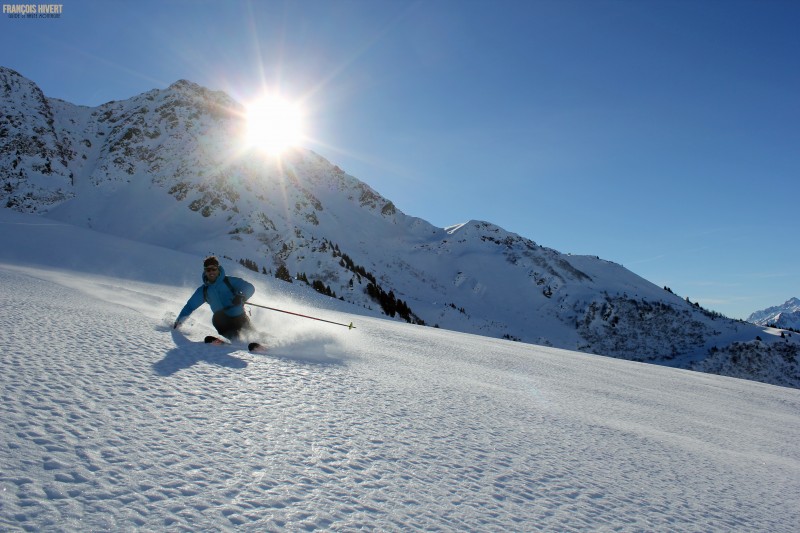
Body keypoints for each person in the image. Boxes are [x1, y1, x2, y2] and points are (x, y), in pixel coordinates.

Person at [173, 256, 256, 340]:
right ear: (205, 271)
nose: (211, 272)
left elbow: (249, 287)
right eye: (208, 270)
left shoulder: (229, 281)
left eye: (213, 269)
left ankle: (262, 342)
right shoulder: (204, 290)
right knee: (217, 318)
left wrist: (241, 296)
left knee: (253, 335)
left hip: (239, 316)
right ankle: (235, 340)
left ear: (218, 269)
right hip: (223, 321)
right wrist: (179, 321)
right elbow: (190, 306)